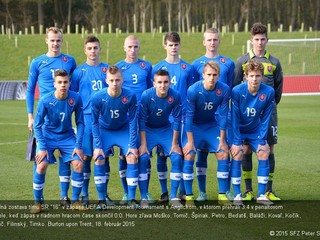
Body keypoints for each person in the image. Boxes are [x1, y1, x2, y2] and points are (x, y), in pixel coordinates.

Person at [26, 26, 77, 207]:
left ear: (62, 41)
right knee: (41, 160)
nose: (55, 43)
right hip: (44, 117)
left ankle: (64, 197)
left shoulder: (69, 61)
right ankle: (37, 201)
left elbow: (74, 88)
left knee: (66, 157)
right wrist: (30, 116)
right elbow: (31, 90)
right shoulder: (37, 62)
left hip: (63, 116)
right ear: (46, 41)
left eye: (58, 40)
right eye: (52, 40)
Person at [233, 22, 283, 201]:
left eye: (263, 39)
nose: (260, 42)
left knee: (268, 149)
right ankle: (247, 191)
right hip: (247, 116)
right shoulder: (242, 61)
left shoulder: (274, 62)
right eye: (256, 39)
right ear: (251, 40)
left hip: (269, 115)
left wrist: (265, 107)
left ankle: (268, 190)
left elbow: (277, 91)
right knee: (245, 150)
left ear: (267, 40)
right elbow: (235, 86)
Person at [30, 69, 85, 214]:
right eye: (59, 82)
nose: (63, 85)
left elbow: (80, 122)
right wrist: (41, 147)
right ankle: (37, 203)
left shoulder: (76, 98)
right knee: (41, 165)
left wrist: (78, 146)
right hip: (48, 136)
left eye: (65, 82)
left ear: (69, 83)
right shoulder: (45, 100)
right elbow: (37, 125)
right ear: (54, 84)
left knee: (79, 163)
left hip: (67, 136)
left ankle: (75, 201)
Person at [70, 35, 115, 206]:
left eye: (95, 48)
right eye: (89, 48)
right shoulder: (78, 72)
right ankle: (84, 195)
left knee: (104, 157)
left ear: (100, 49)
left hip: (104, 120)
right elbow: (73, 97)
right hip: (87, 119)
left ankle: (103, 196)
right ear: (85, 50)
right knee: (86, 157)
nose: (93, 51)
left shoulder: (107, 70)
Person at [191, 28, 235, 202]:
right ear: (204, 42)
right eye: (209, 40)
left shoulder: (228, 63)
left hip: (222, 115)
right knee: (201, 152)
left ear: (219, 41)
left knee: (225, 151)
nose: (212, 42)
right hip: (202, 117)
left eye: (215, 39)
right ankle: (202, 192)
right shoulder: (195, 64)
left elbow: (231, 87)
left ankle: (226, 191)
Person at [152, 31, 195, 203]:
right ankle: (164, 192)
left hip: (183, 117)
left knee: (183, 154)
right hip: (163, 119)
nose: (173, 48)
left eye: (176, 45)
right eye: (170, 45)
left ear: (179, 46)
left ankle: (183, 191)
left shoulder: (188, 68)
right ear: (165, 46)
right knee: (162, 154)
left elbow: (192, 93)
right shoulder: (157, 68)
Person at [182, 61, 231, 206]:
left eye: (214, 75)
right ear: (203, 75)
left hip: (211, 126)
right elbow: (188, 117)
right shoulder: (193, 90)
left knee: (223, 152)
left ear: (219, 76)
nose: (211, 78)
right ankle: (190, 196)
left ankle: (222, 195)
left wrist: (222, 141)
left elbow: (223, 116)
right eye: (208, 74)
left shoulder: (224, 90)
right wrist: (190, 142)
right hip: (194, 127)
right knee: (190, 153)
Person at [91, 66, 139, 209]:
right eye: (111, 80)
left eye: (117, 80)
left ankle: (131, 199)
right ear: (106, 81)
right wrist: (98, 146)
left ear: (122, 80)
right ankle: (101, 200)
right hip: (104, 130)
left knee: (131, 156)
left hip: (122, 130)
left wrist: (131, 145)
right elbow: (94, 122)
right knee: (99, 158)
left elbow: (133, 121)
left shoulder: (130, 96)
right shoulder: (98, 97)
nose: (115, 83)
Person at [230, 59, 275, 205]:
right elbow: (235, 119)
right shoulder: (237, 91)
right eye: (251, 76)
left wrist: (262, 140)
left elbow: (266, 118)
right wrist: (236, 142)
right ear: (245, 76)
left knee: (263, 152)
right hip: (238, 129)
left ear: (262, 77)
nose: (254, 79)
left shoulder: (269, 92)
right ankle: (237, 194)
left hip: (255, 129)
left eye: (257, 76)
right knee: (237, 154)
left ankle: (262, 195)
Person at [115, 35, 153, 205]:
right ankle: (126, 192)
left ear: (139, 47)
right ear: (124, 48)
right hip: (124, 118)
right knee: (125, 155)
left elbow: (153, 90)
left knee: (144, 155)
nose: (132, 50)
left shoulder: (147, 66)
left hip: (143, 116)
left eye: (135, 47)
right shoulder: (118, 67)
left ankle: (145, 193)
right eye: (129, 47)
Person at [138, 69, 183, 208]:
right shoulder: (146, 95)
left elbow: (176, 120)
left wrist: (175, 143)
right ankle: (144, 197)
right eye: (159, 82)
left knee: (176, 157)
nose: (162, 85)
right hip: (148, 130)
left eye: (165, 82)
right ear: (154, 83)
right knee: (144, 158)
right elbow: (142, 121)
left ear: (170, 82)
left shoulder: (175, 95)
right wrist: (144, 144)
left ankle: (173, 197)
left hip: (165, 129)